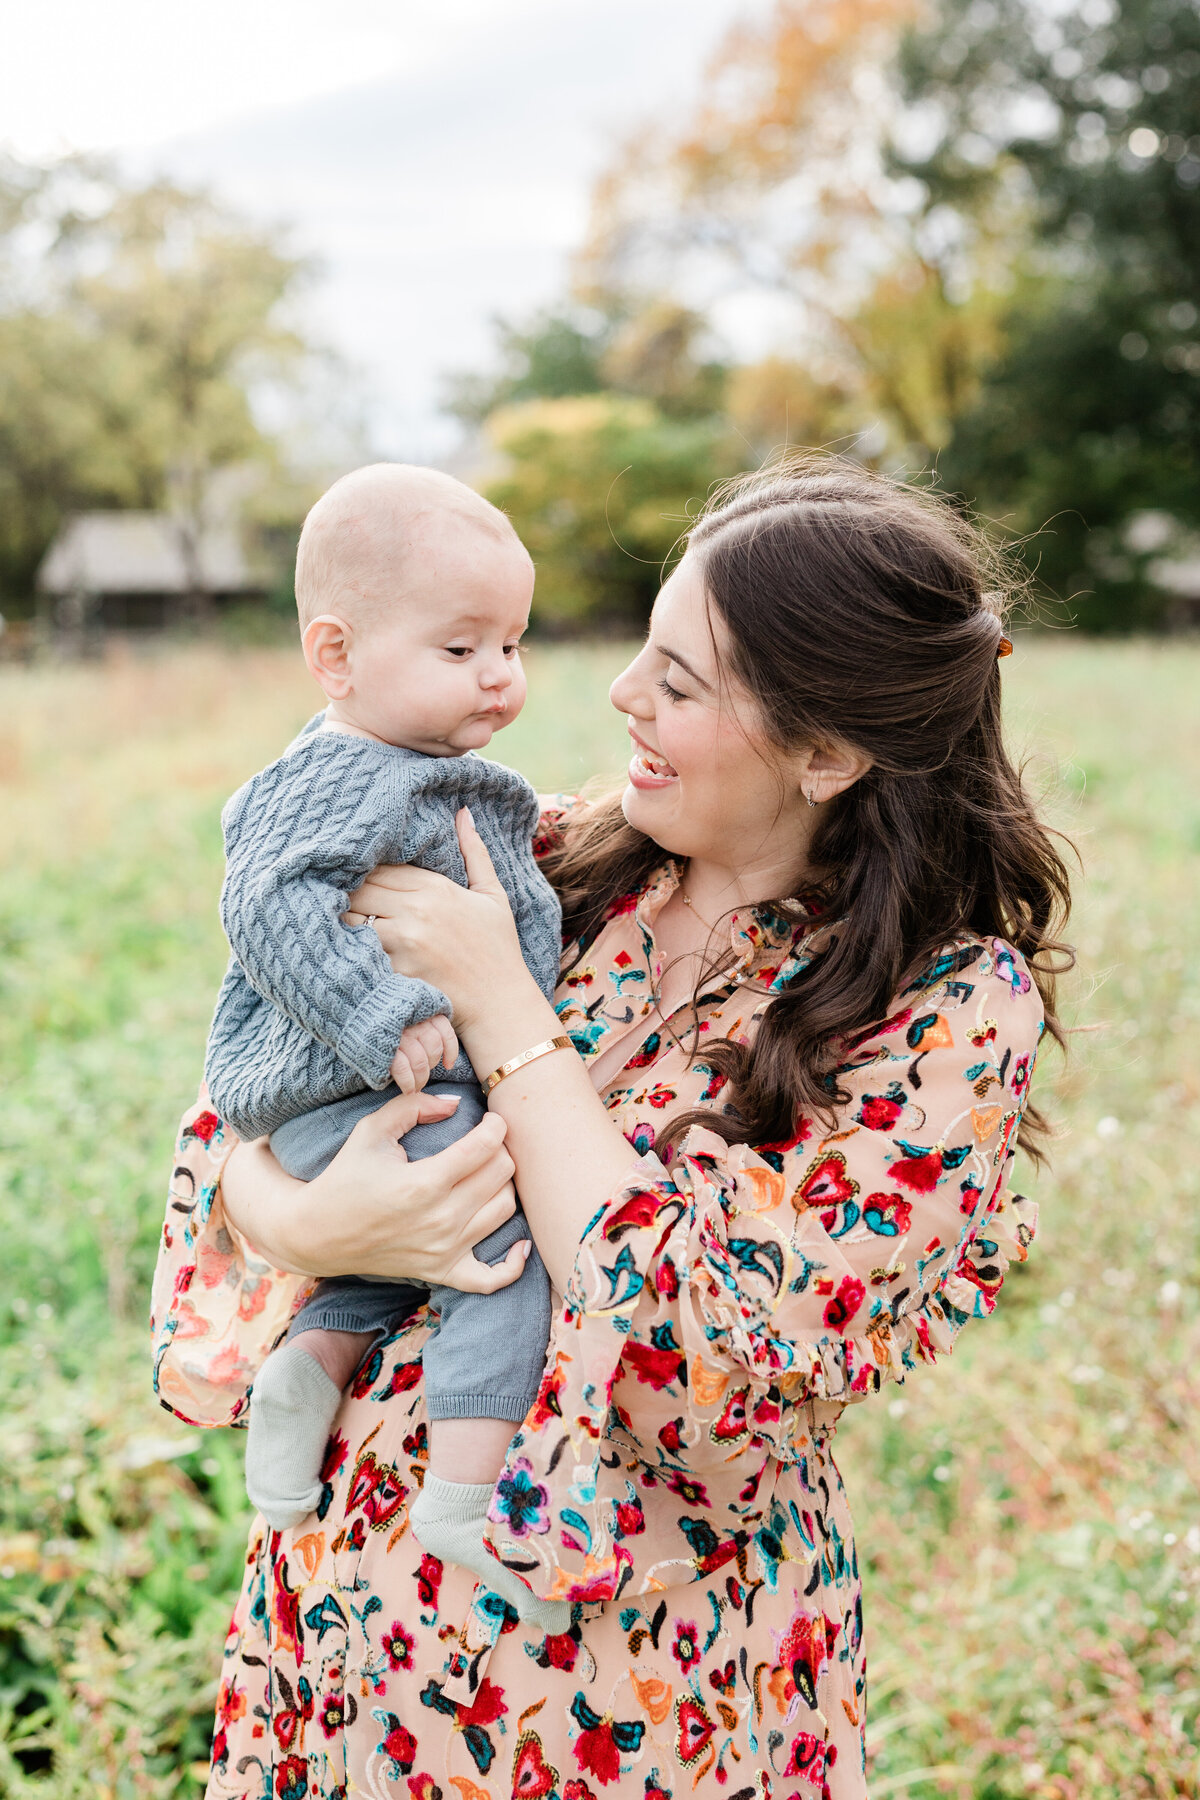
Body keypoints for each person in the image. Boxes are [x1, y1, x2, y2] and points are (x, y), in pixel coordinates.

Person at [152, 457, 1068, 1799]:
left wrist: (505, 1009)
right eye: (644, 652)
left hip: (616, 1698)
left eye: (681, 684)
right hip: (339, 1645)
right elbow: (243, 1105)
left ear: (824, 753)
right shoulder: (542, 853)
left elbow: (699, 1348)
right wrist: (312, 1221)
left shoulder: (941, 1013)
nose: (623, 697)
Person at [202, 463, 567, 1626]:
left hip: (360, 1099)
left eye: (512, 642)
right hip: (354, 1083)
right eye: (461, 650)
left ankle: (302, 1377)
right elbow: (264, 905)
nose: (500, 676)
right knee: (504, 1243)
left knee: (375, 1269)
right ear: (337, 654)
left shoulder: (404, 764)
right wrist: (383, 1014)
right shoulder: (341, 770)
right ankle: (465, 1491)